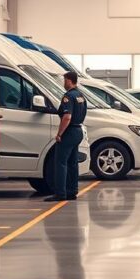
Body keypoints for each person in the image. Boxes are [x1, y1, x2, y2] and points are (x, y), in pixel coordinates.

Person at [48, 71, 87, 201]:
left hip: (69, 132)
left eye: (64, 80)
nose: (63, 83)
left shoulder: (68, 96)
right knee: (72, 163)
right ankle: (72, 191)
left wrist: (59, 134)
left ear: (69, 80)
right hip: (78, 130)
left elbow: (67, 117)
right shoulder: (81, 95)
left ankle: (60, 193)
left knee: (60, 163)